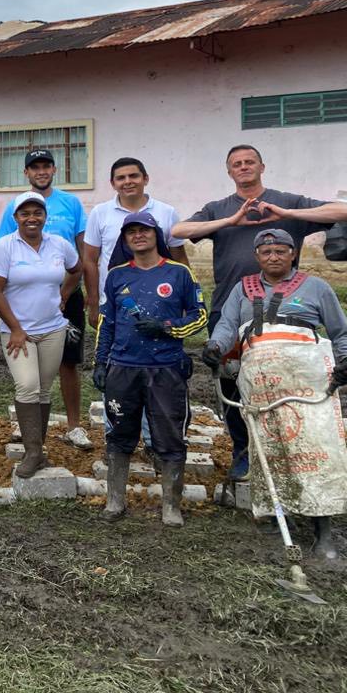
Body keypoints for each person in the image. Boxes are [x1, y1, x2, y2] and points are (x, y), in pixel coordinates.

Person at [172, 144, 347, 480]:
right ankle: (243, 452)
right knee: (233, 381)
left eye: (249, 161)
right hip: (230, 306)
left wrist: (287, 214)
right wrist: (231, 221)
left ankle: (289, 450)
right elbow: (178, 231)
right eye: (236, 164)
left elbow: (341, 211)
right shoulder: (218, 208)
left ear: (261, 166)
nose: (243, 167)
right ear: (229, 171)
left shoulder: (287, 201)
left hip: (285, 308)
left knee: (287, 382)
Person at [203, 227, 347, 560]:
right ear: (257, 256)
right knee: (268, 447)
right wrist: (215, 346)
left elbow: (341, 332)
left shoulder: (317, 287)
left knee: (314, 450)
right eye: (266, 252)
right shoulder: (243, 289)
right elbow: (227, 325)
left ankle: (323, 529)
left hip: (307, 381)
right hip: (260, 382)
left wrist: (345, 361)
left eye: (281, 251)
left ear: (293, 254)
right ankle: (275, 513)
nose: (274, 257)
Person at [94, 212, 207, 526]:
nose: (138, 236)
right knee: (119, 434)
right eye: (131, 231)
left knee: (170, 436)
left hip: (166, 369)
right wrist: (100, 362)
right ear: (124, 239)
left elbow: (199, 316)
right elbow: (106, 323)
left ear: (156, 234)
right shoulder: (116, 276)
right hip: (123, 368)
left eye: (144, 230)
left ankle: (171, 507)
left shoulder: (179, 273)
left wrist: (167, 326)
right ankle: (115, 501)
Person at [0, 149, 91, 450]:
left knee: (69, 362)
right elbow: (1, 259)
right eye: (34, 167)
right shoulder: (14, 208)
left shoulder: (71, 203)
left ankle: (73, 426)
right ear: (26, 173)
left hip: (62, 294)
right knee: (28, 376)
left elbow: (82, 253)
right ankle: (28, 427)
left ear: (54, 169)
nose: (41, 171)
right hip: (24, 297)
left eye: (46, 166)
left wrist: (67, 293)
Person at [0, 191, 83, 478]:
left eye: (37, 213)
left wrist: (64, 295)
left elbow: (76, 269)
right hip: (18, 332)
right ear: (16, 217)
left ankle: (37, 450)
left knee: (43, 389)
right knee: (27, 386)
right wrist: (16, 328)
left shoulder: (59, 244)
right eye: (25, 213)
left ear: (45, 216)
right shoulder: (4, 246)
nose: (32, 218)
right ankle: (32, 452)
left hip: (53, 329)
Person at [83, 157, 188, 328]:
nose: (128, 182)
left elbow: (180, 259)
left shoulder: (166, 212)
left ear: (145, 179)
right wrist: (94, 303)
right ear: (113, 184)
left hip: (160, 298)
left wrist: (184, 298)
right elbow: (89, 260)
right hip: (114, 299)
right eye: (121, 178)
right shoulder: (100, 213)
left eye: (133, 176)